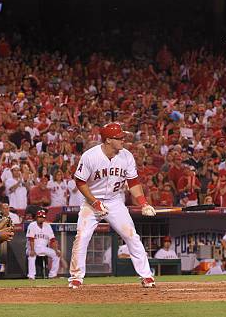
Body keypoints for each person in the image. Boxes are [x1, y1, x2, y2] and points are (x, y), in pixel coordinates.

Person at [68, 122, 156, 289]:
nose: (123, 139)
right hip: (91, 202)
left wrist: (144, 203)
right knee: (82, 236)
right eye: (119, 137)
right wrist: (95, 202)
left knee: (131, 235)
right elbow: (80, 181)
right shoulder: (90, 156)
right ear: (108, 140)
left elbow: (134, 182)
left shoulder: (127, 156)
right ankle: (76, 278)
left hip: (115, 201)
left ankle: (146, 276)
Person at [26, 209, 60, 279]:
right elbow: (31, 239)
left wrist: (56, 250)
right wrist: (32, 250)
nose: (41, 219)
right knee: (32, 256)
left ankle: (52, 275)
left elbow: (52, 240)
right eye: (40, 217)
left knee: (56, 255)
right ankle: (31, 276)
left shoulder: (47, 226)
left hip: (44, 248)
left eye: (42, 217)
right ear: (36, 217)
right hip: (32, 247)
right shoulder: (32, 225)